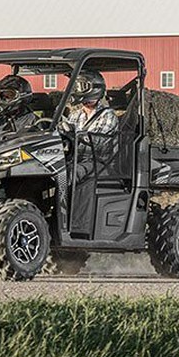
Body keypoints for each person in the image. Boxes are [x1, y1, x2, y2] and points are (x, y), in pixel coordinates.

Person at [59, 70, 119, 236]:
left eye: (81, 86)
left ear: (94, 89)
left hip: (100, 162)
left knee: (69, 174)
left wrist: (71, 135)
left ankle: (74, 225)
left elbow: (95, 143)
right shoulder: (76, 114)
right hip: (76, 158)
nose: (77, 90)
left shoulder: (108, 116)